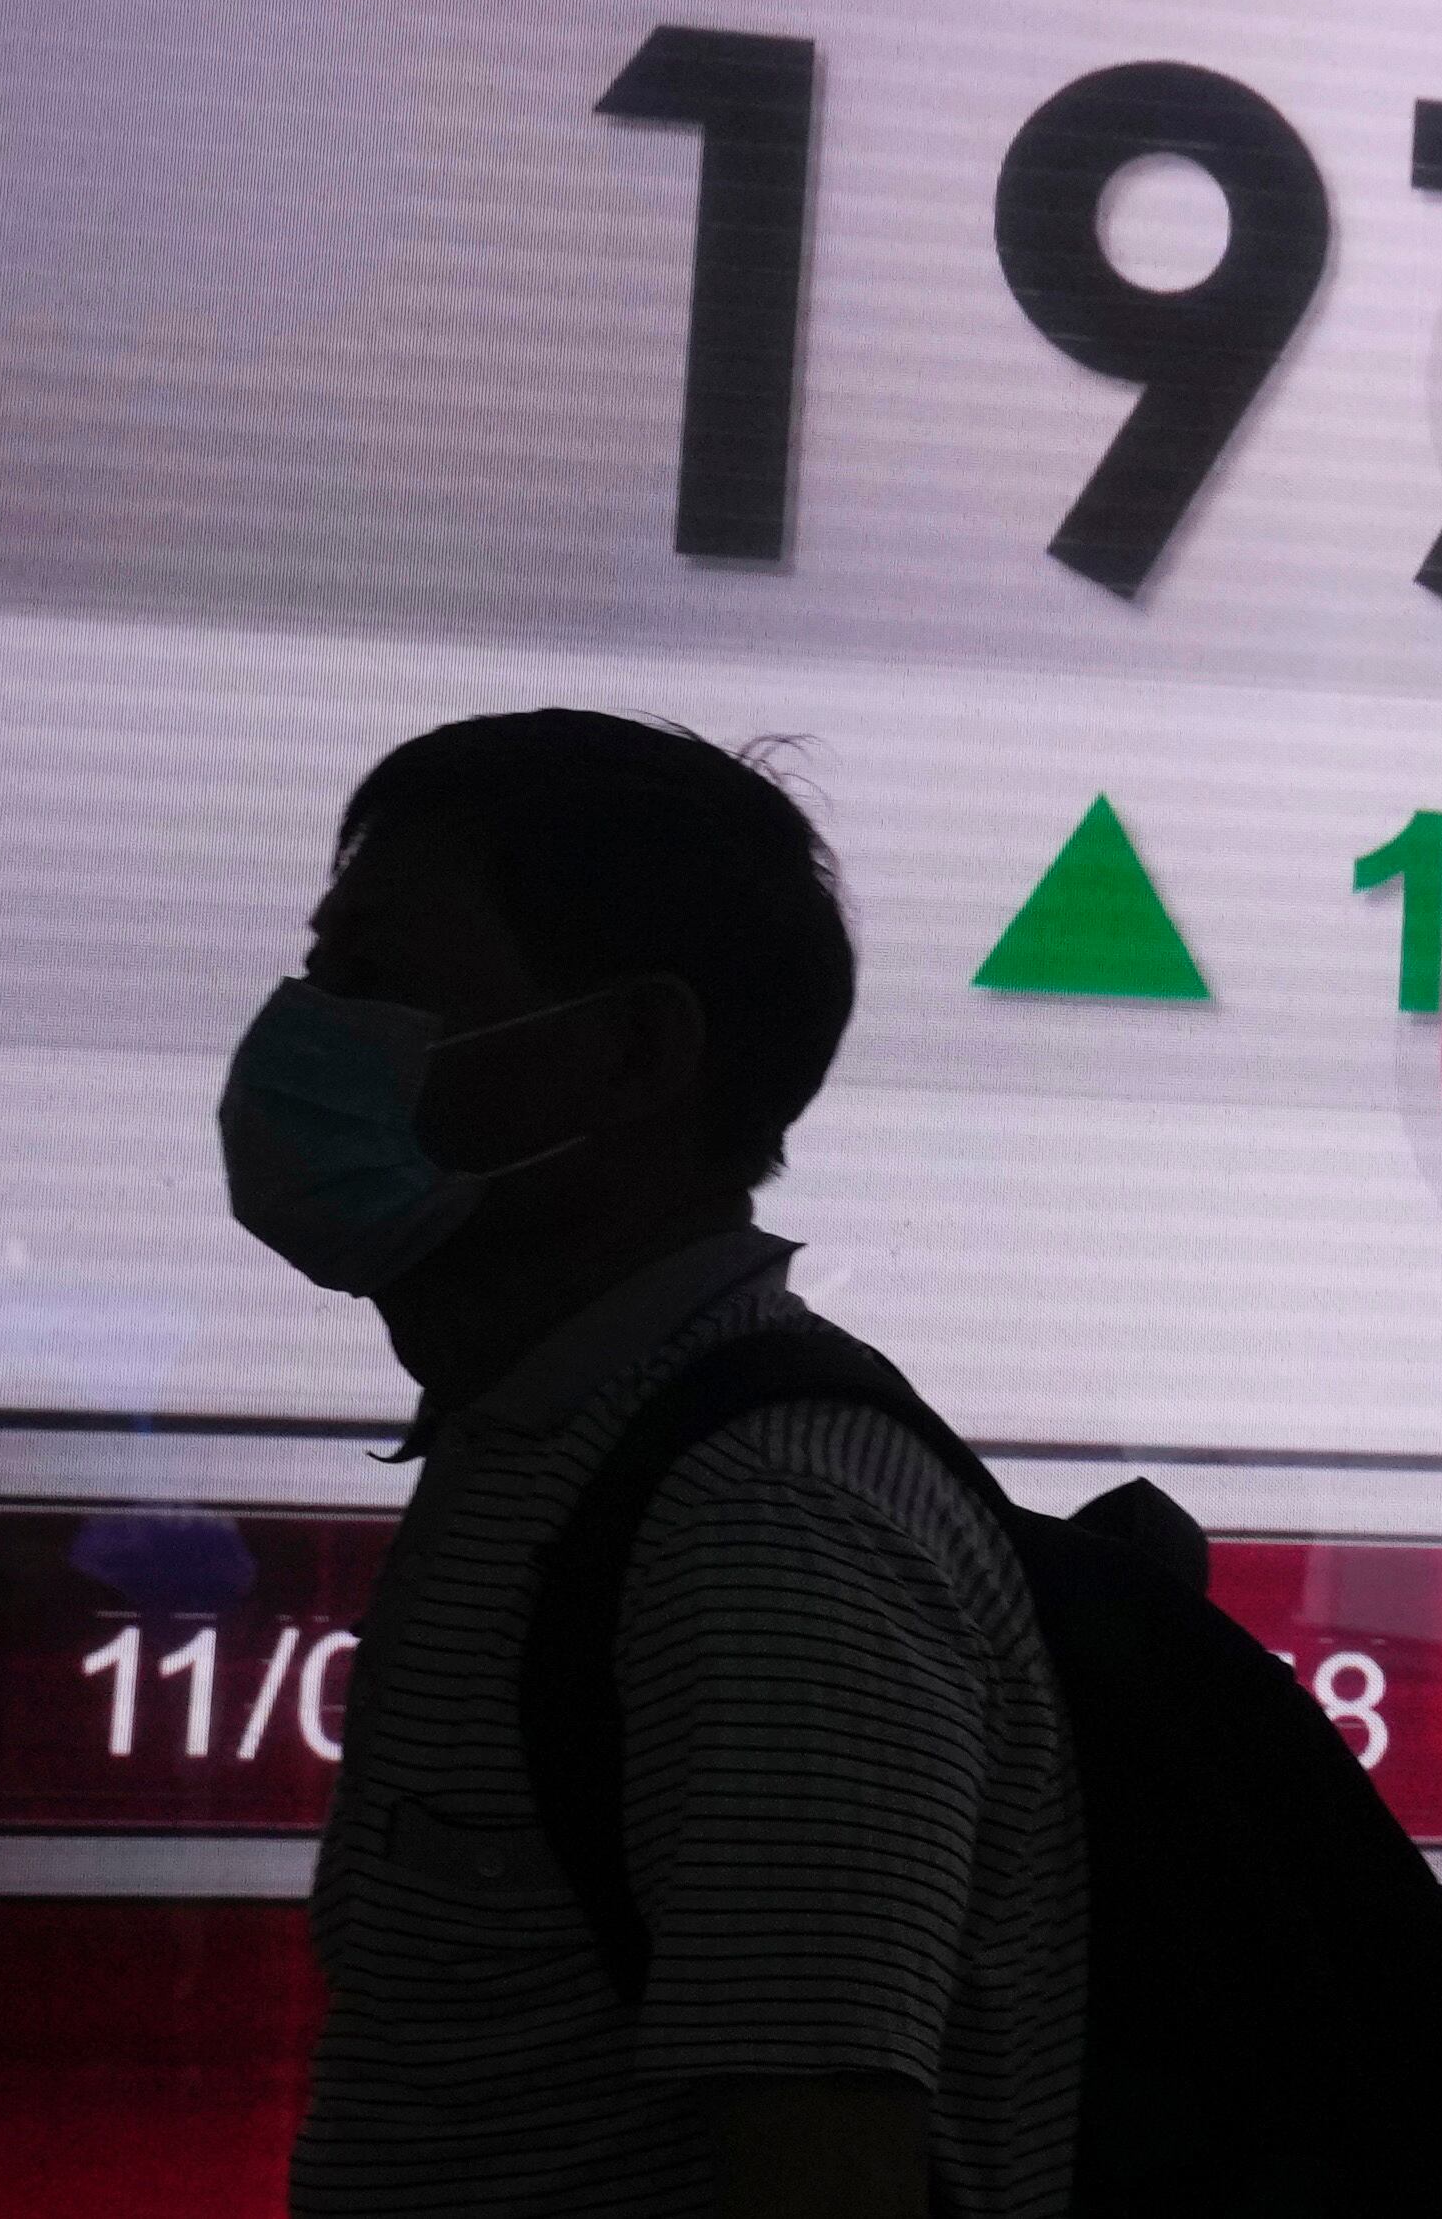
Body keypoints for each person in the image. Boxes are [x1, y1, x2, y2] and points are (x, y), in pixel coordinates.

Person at [239, 710, 1080, 2219]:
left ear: (632, 1051)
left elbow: (823, 2180)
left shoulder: (764, 1532)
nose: (306, 1034)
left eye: (376, 978)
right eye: (321, 973)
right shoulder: (544, 1440)